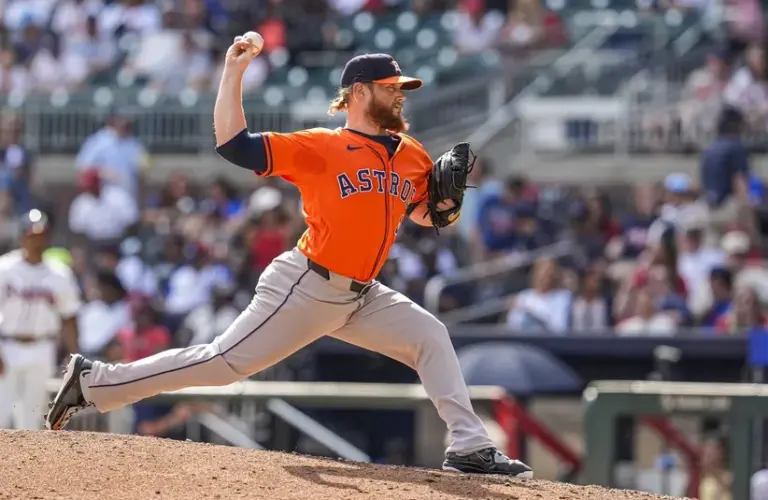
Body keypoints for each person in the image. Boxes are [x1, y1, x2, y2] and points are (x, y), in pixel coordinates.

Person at [45, 39, 533, 478]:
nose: (400, 94)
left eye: (401, 86)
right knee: (222, 364)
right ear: (358, 93)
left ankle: (470, 445)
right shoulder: (322, 146)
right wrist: (233, 73)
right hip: (307, 284)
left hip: (363, 294)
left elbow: (424, 214)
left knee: (431, 335)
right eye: (391, 87)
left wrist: (445, 207)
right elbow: (233, 146)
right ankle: (94, 381)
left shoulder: (412, 155)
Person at [0, 209, 82, 429]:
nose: (37, 240)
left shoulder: (60, 273)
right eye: (32, 235)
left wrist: (74, 356)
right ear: (21, 237)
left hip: (42, 346)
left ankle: (24, 464)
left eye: (41, 235)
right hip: (6, 346)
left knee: (32, 416)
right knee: (1, 412)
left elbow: (70, 316)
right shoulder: (4, 268)